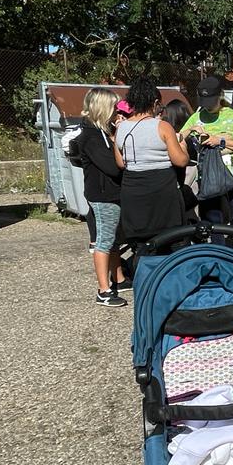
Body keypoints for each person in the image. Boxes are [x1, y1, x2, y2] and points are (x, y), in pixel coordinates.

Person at [113, 76, 189, 247]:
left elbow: (120, 163)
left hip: (133, 191)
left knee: (142, 246)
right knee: (171, 242)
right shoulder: (162, 126)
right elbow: (180, 161)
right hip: (162, 192)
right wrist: (183, 146)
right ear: (155, 103)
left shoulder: (121, 128)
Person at [74, 87, 129, 307]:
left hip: (110, 193)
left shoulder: (100, 133)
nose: (117, 112)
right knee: (104, 241)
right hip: (103, 195)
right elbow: (113, 167)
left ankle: (119, 278)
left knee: (114, 238)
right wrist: (117, 139)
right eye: (113, 107)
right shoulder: (91, 137)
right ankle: (103, 290)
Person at [180, 77, 233, 239]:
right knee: (212, 224)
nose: (207, 105)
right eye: (204, 101)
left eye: (211, 100)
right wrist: (192, 129)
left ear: (220, 96)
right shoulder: (196, 117)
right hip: (208, 177)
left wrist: (220, 140)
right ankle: (218, 257)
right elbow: (177, 138)